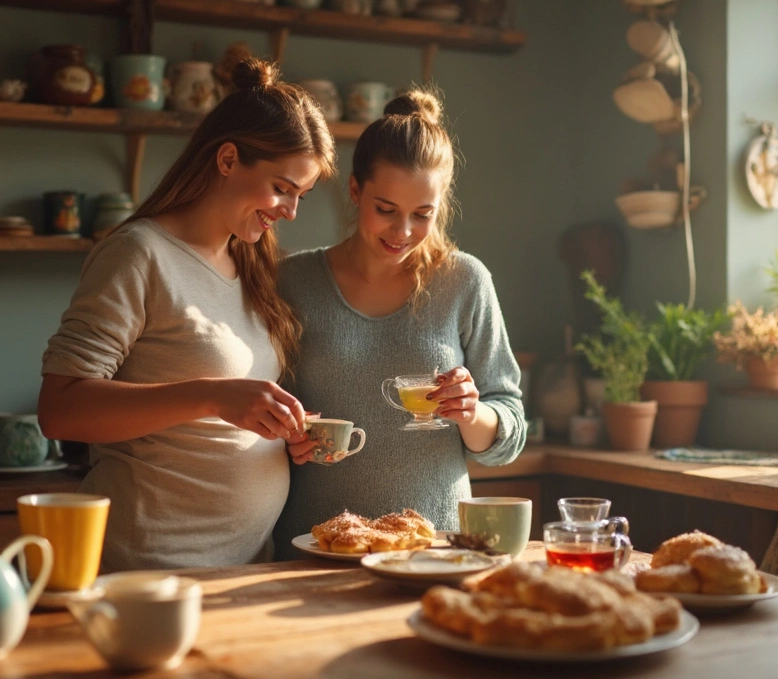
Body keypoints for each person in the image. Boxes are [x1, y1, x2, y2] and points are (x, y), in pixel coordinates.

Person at [38, 58, 336, 571]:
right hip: (154, 564)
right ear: (226, 159)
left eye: (301, 197)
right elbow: (59, 410)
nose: (290, 211)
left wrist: (283, 430)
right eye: (282, 188)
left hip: (244, 568)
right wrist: (212, 395)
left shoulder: (253, 264)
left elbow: (220, 422)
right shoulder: (139, 253)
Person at [272, 88, 525, 556]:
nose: (402, 232)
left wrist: (473, 412)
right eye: (385, 210)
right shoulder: (291, 281)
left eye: (422, 214)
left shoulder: (465, 281)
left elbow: (507, 429)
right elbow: (261, 414)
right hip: (318, 549)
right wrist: (286, 440)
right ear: (354, 190)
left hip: (435, 551)